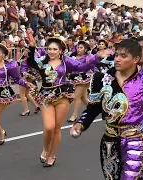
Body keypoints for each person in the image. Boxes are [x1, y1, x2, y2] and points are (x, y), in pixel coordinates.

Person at [70, 39, 143, 179]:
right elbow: (93, 108)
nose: (118, 59)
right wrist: (81, 123)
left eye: (123, 56)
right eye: (116, 55)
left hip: (138, 140)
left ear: (136, 59)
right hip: (110, 141)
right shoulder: (102, 79)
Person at [27, 34, 111, 167]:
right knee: (49, 127)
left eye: (55, 49)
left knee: (56, 129)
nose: (51, 51)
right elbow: (30, 62)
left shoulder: (67, 61)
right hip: (45, 96)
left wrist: (96, 57)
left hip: (63, 95)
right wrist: (31, 48)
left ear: (61, 50)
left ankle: (52, 155)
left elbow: (82, 67)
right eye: (49, 49)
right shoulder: (42, 61)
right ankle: (45, 149)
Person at [0, 43, 34, 150]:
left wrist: (26, 84)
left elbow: (17, 79)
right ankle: (1, 132)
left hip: (3, 92)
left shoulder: (10, 65)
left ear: (4, 55)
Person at [67, 40, 97, 122]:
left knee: (77, 96)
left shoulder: (88, 57)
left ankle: (74, 115)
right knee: (84, 97)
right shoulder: (73, 56)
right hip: (74, 78)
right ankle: (93, 110)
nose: (79, 49)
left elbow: (93, 66)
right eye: (78, 47)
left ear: (85, 49)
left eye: (81, 48)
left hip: (84, 78)